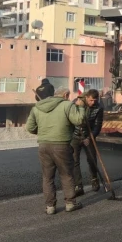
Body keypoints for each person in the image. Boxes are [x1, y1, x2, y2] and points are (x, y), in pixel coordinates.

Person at [26, 86, 86, 215]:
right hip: (62, 145)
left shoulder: (37, 107)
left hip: (43, 145)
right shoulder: (67, 105)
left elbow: (30, 127)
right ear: (65, 95)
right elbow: (79, 120)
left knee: (47, 177)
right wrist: (80, 107)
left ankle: (50, 206)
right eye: (68, 96)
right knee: (66, 174)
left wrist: (43, 133)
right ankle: (70, 203)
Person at [72, 89, 104, 196]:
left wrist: (90, 137)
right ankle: (78, 185)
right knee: (74, 161)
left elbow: (98, 126)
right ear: (86, 97)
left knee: (92, 159)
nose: (93, 102)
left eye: (95, 100)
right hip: (75, 136)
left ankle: (94, 179)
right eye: (91, 100)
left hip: (89, 136)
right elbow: (70, 120)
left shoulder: (99, 108)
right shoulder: (76, 103)